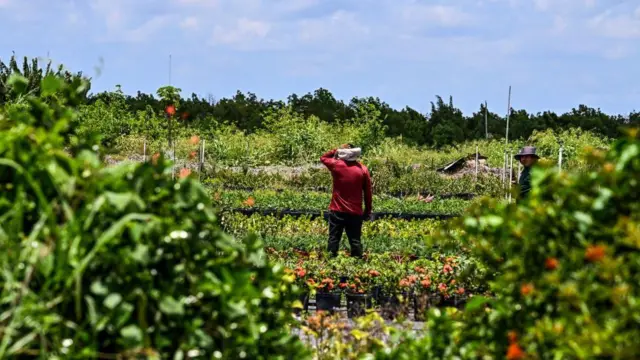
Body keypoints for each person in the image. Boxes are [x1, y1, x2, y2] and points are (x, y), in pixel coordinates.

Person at [320, 144, 372, 258]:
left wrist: (337, 149)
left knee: (333, 239)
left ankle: (330, 263)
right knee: (355, 241)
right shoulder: (363, 169)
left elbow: (323, 158)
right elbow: (368, 193)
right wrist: (368, 211)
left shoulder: (336, 165)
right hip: (355, 212)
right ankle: (357, 265)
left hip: (337, 210)